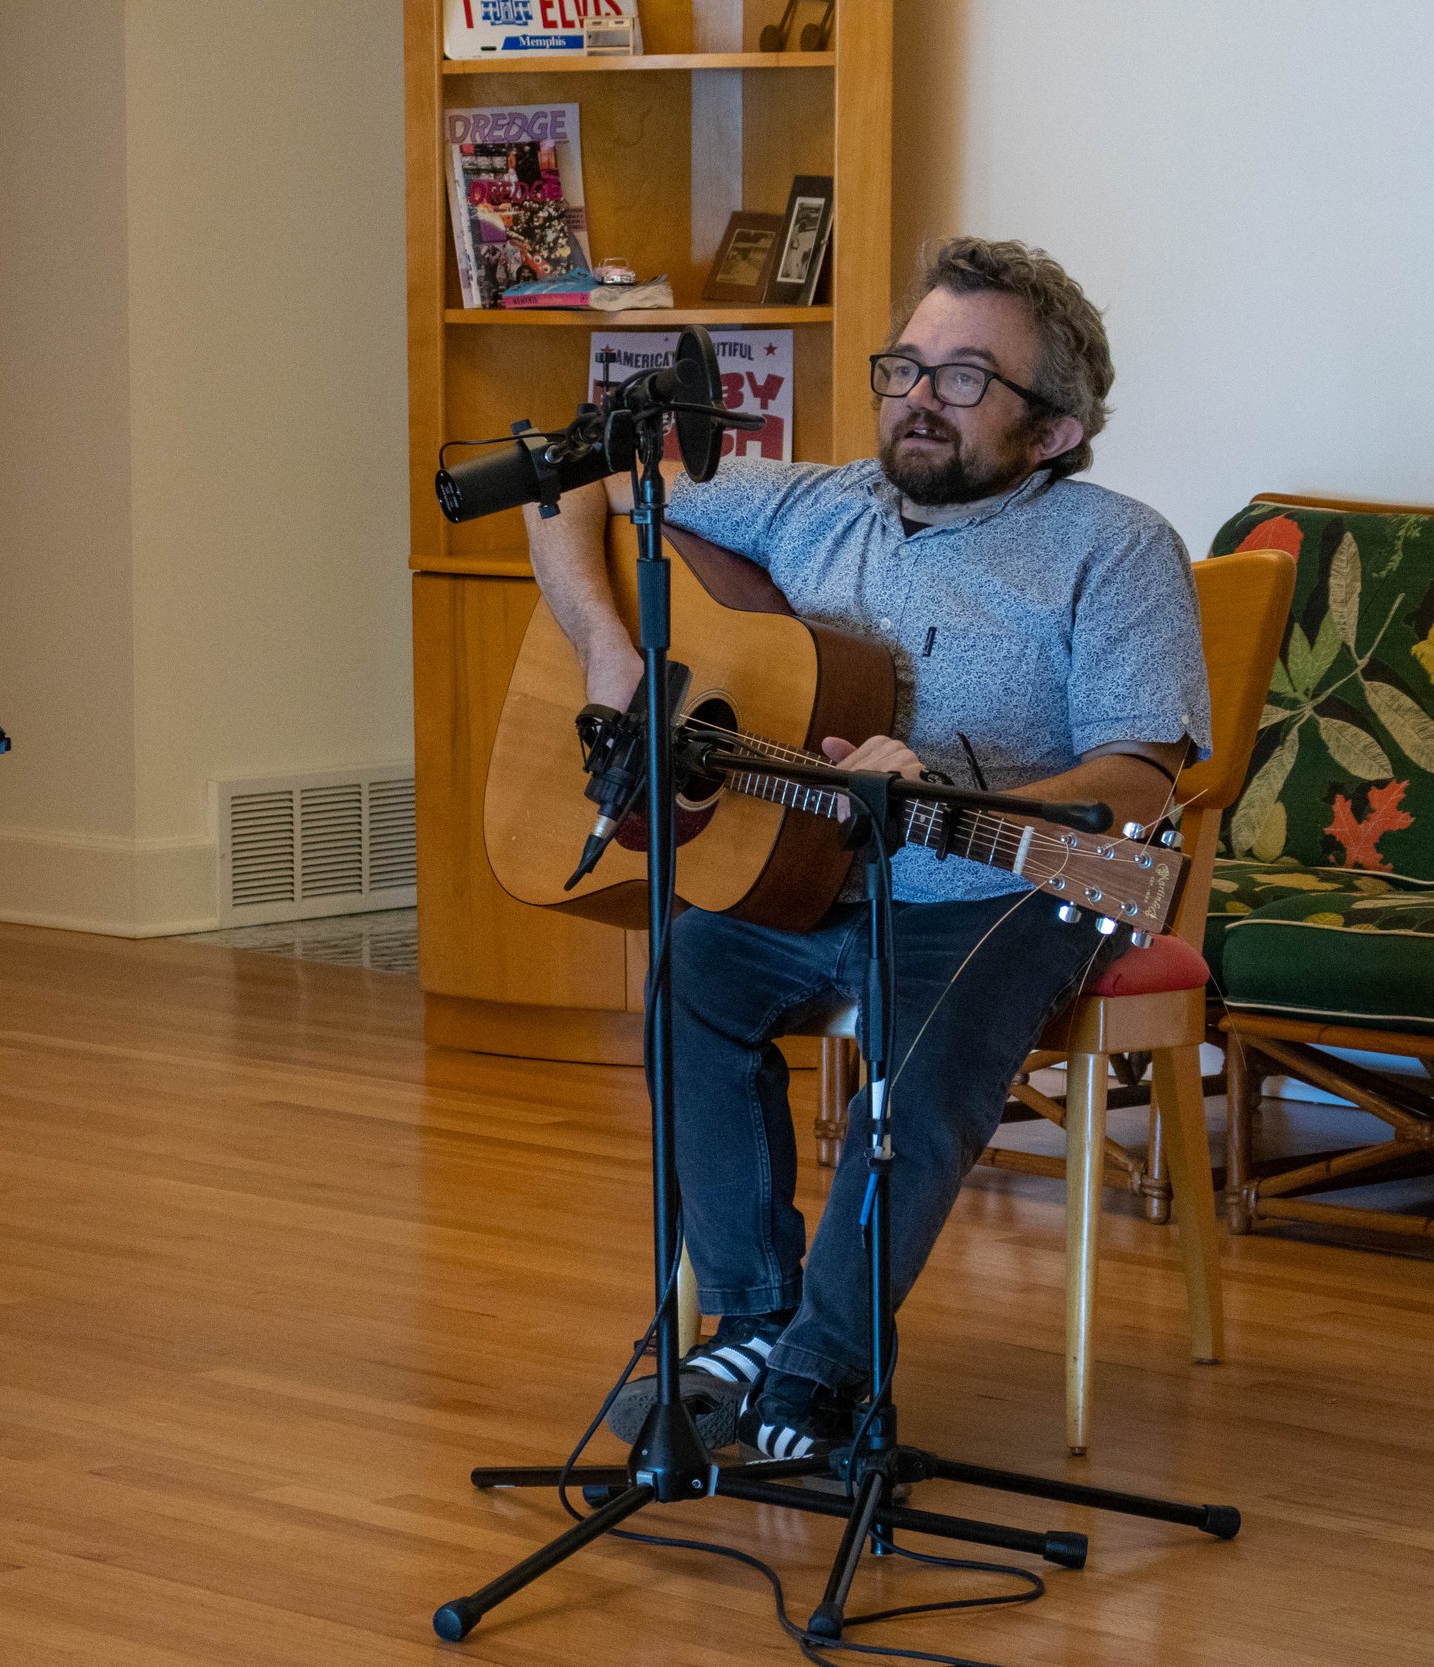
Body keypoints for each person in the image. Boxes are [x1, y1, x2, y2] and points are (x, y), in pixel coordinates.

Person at [525, 238, 1210, 1458]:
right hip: (804, 871)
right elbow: (568, 479)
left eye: (963, 379)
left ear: (1052, 430)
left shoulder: (1117, 544)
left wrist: (946, 790)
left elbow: (1138, 773)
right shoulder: (808, 499)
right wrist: (607, 655)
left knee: (920, 1043)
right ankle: (749, 1314)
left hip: (1001, 879)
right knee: (693, 974)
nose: (914, 398)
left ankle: (827, 1365)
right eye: (907, 365)